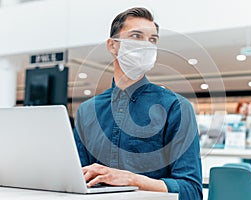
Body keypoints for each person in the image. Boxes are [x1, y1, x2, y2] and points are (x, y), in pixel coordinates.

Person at [73, 7, 203, 200]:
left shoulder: (176, 107)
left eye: (153, 40)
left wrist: (132, 180)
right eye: (136, 36)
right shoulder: (87, 111)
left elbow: (191, 191)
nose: (146, 45)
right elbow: (76, 181)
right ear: (112, 46)